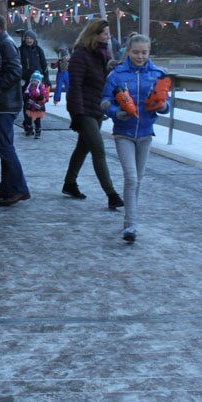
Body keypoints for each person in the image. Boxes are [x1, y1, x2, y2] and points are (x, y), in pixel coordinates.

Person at [102, 33, 172, 243]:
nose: (140, 56)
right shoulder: (116, 75)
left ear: (149, 52)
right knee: (131, 178)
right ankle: (130, 225)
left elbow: (167, 105)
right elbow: (104, 101)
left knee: (138, 180)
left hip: (145, 132)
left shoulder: (158, 74)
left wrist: (162, 106)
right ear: (128, 52)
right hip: (123, 132)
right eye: (135, 52)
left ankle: (131, 219)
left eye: (144, 52)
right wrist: (116, 112)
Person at [62, 19, 123, 209]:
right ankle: (111, 194)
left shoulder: (103, 54)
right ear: (94, 35)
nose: (108, 36)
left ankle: (69, 183)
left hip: (97, 109)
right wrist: (77, 114)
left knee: (83, 147)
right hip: (84, 110)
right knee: (98, 149)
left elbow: (106, 83)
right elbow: (75, 87)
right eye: (105, 33)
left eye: (108, 33)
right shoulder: (81, 55)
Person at [0, 14, 30, 207]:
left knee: (4, 147)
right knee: (4, 146)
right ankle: (6, 187)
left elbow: (14, 71)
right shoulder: (3, 42)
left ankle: (19, 188)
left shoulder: (4, 43)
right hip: (4, 103)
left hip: (6, 103)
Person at [19, 30, 50, 135]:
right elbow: (18, 65)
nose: (28, 40)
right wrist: (21, 75)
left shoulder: (38, 50)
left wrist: (47, 79)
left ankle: (37, 125)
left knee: (37, 103)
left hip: (38, 81)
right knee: (27, 103)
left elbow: (44, 65)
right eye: (27, 38)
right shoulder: (20, 50)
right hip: (26, 81)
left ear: (34, 39)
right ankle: (28, 124)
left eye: (30, 38)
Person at [23, 71, 49, 138]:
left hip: (37, 106)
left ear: (38, 81)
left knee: (37, 120)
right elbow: (25, 95)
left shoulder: (41, 87)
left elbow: (44, 96)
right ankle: (30, 129)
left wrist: (39, 96)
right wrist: (26, 95)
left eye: (35, 80)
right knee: (28, 119)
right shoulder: (28, 87)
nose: (33, 82)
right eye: (32, 80)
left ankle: (38, 131)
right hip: (30, 106)